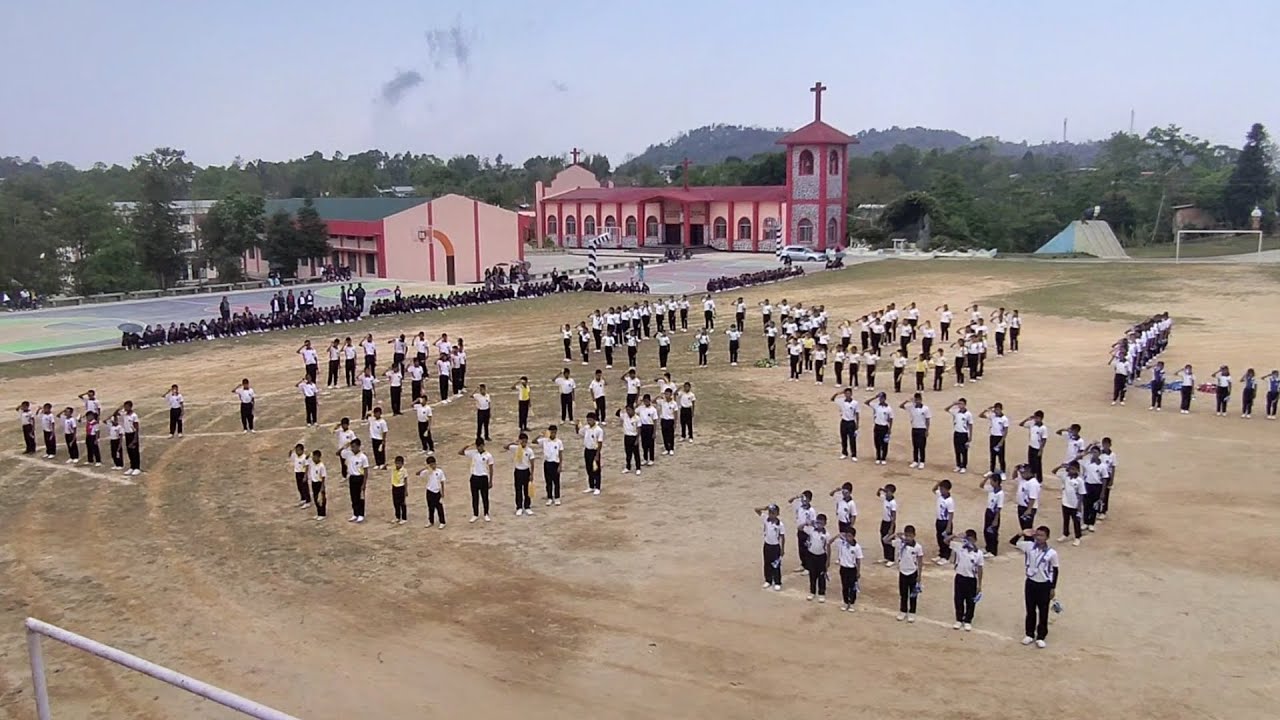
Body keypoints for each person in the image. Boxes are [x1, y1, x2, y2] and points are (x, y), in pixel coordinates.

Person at [1013, 526, 1060, 648]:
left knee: (1043, 612)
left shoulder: (1052, 553)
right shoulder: (1028, 546)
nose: (1039, 538)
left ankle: (1041, 636)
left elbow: (1055, 570)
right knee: (1030, 610)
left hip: (1044, 585)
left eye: (1042, 535)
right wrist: (1022, 533)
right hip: (1031, 583)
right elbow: (1013, 542)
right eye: (1037, 535)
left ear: (1047, 537)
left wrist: (1053, 587)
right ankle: (1029, 634)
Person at [886, 526, 925, 622]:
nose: (908, 538)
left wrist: (919, 576)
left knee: (913, 594)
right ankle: (903, 610)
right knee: (903, 594)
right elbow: (885, 541)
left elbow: (920, 562)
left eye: (910, 536)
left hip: (912, 573)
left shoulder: (918, 547)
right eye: (906, 535)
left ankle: (912, 612)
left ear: (914, 536)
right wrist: (894, 535)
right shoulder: (900, 543)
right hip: (902, 572)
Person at [950, 529, 984, 631]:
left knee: (970, 601)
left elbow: (980, 569)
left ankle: (968, 620)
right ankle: (959, 619)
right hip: (960, 577)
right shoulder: (960, 547)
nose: (969, 541)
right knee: (958, 599)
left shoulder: (978, 553)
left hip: (971, 580)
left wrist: (979, 584)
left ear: (975, 540)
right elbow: (946, 541)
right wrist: (955, 535)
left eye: (971, 539)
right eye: (967, 539)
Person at [459, 439, 495, 522]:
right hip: (474, 477)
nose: (479, 448)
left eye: (480, 446)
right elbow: (460, 452)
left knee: (485, 497)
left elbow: (491, 469)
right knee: (475, 497)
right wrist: (468, 445)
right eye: (477, 446)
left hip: (483, 477)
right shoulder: (473, 453)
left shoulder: (488, 455)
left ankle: (486, 513)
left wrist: (490, 480)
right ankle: (475, 514)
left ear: (483, 445)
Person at [828, 527, 863, 612]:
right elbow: (829, 542)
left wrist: (858, 571)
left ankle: (852, 603)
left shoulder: (857, 547)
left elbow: (858, 560)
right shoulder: (842, 543)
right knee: (845, 586)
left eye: (850, 536)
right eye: (847, 536)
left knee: (852, 587)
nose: (848, 538)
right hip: (843, 568)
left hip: (852, 569)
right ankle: (845, 602)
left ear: (854, 536)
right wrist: (838, 536)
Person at [1053, 459, 1086, 546]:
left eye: (1074, 469)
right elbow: (1053, 471)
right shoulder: (1065, 477)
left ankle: (1077, 537)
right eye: (1070, 469)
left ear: (1077, 470)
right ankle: (1065, 533)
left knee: (1076, 521)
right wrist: (1061, 466)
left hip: (1074, 505)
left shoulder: (1080, 481)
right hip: (1065, 502)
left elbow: (1081, 494)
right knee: (1066, 519)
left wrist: (1079, 507)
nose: (1072, 471)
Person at [753, 504, 785, 591]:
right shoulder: (765, 519)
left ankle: (777, 582)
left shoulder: (780, 525)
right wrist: (764, 507)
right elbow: (756, 509)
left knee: (776, 565)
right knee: (767, 563)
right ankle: (768, 580)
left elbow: (782, 537)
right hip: (767, 545)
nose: (771, 514)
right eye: (770, 512)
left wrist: (782, 549)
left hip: (775, 547)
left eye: (773, 513)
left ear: (777, 513)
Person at [505, 433, 536, 516]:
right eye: (522, 441)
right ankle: (519, 507)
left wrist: (532, 474)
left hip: (526, 471)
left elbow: (532, 463)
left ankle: (527, 507)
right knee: (518, 490)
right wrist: (514, 443)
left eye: (525, 441)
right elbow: (505, 447)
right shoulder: (515, 448)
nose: (524, 443)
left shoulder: (529, 451)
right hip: (518, 471)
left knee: (527, 490)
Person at [803, 514, 831, 602]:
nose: (819, 525)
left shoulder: (827, 535)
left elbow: (828, 548)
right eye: (818, 522)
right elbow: (799, 528)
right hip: (811, 555)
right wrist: (807, 523)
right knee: (812, 575)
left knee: (821, 576)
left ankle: (821, 593)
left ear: (825, 523)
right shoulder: (811, 530)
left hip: (821, 557)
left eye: (821, 523)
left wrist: (828, 560)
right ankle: (812, 592)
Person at [576, 413, 605, 494]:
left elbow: (600, 443)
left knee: (596, 469)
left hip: (594, 451)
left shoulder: (599, 430)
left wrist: (597, 455)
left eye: (590, 420)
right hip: (587, 450)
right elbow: (579, 432)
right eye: (588, 420)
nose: (589, 422)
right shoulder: (586, 428)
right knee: (589, 469)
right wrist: (576, 425)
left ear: (594, 420)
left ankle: (597, 487)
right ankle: (591, 486)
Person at [979, 402, 1010, 478]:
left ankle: (1003, 472)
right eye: (996, 409)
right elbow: (981, 415)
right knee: (992, 455)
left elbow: (1005, 431)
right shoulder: (992, 416)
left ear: (1001, 409)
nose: (997, 411)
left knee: (1001, 456)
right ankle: (991, 470)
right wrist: (987, 409)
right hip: (992, 437)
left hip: (999, 438)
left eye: (999, 409)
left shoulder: (1004, 419)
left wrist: (1001, 441)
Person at [900, 393, 931, 469]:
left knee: (922, 446)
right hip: (914, 428)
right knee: (915, 445)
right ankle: (915, 460)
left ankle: (922, 461)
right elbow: (901, 406)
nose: (917, 401)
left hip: (922, 428)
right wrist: (907, 400)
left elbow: (927, 420)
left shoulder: (925, 408)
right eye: (916, 400)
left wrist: (927, 430)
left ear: (921, 400)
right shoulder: (911, 407)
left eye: (918, 400)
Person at [343, 438, 370, 523]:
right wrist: (345, 446)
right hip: (352, 478)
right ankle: (355, 513)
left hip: (360, 478)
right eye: (351, 447)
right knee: (353, 497)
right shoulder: (349, 455)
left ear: (358, 446)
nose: (352, 448)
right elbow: (338, 453)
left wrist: (364, 483)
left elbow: (366, 471)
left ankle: (361, 514)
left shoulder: (363, 457)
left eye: (354, 447)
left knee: (360, 498)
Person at [537, 425, 564, 506]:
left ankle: (557, 497)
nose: (553, 434)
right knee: (548, 482)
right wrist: (540, 435)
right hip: (547, 463)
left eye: (554, 432)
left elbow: (560, 454)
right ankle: (549, 497)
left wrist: (560, 465)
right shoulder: (544, 440)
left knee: (556, 482)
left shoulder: (559, 442)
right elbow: (534, 441)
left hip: (555, 463)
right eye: (551, 432)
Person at [978, 473, 1004, 557]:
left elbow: (999, 507)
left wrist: (996, 519)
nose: (991, 483)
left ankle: (993, 551)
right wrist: (986, 478)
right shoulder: (991, 489)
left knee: (993, 533)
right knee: (986, 531)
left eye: (992, 481)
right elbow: (981, 486)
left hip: (994, 513)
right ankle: (988, 547)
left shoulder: (1000, 494)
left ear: (996, 482)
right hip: (988, 511)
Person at [1018, 411, 1048, 482]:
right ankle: (1032, 478)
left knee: (1037, 465)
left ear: (1041, 418)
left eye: (1037, 418)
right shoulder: (1032, 424)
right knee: (1031, 464)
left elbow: (1044, 440)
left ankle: (1039, 480)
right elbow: (1021, 424)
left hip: (1037, 449)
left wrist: (1041, 450)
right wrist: (1027, 419)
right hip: (1031, 447)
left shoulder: (1043, 428)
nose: (1036, 419)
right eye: (1035, 418)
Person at [932, 479, 956, 564]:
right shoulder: (940, 495)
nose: (941, 490)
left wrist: (948, 526)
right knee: (939, 538)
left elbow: (951, 514)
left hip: (945, 522)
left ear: (947, 489)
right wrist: (938, 483)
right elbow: (933, 490)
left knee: (946, 539)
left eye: (942, 489)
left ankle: (946, 556)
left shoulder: (950, 501)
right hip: (939, 521)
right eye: (940, 489)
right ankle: (941, 553)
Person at [832, 388, 860, 461]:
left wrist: (857, 424)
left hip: (851, 422)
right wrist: (838, 393)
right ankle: (844, 453)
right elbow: (832, 399)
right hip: (844, 422)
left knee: (852, 439)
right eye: (846, 393)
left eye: (849, 393)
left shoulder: (855, 403)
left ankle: (854, 454)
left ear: (851, 394)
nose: (847, 395)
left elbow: (857, 414)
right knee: (843, 438)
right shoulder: (842, 401)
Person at [419, 455, 447, 528]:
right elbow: (418, 473)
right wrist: (426, 468)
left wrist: (442, 492)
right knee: (430, 507)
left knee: (439, 507)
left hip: (437, 492)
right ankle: (431, 521)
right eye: (431, 465)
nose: (433, 466)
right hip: (429, 491)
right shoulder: (427, 472)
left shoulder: (439, 471)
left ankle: (442, 522)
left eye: (434, 464)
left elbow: (442, 482)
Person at [867, 392, 893, 465]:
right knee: (877, 443)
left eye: (882, 398)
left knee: (884, 443)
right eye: (880, 398)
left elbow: (891, 419)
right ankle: (878, 457)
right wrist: (875, 397)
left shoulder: (888, 408)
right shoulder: (876, 406)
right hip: (877, 426)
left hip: (884, 427)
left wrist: (890, 429)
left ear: (885, 399)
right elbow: (866, 402)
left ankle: (883, 457)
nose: (880, 399)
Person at [876, 484, 898, 566]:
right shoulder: (885, 498)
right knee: (882, 539)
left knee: (889, 540)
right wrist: (880, 489)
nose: (886, 493)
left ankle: (891, 558)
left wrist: (891, 527)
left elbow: (893, 515)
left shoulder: (893, 503)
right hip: (884, 521)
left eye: (888, 492)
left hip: (889, 523)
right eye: (886, 491)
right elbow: (878, 494)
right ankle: (886, 557)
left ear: (892, 493)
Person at [616, 405, 642, 475]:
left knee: (636, 453)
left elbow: (639, 429)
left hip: (634, 436)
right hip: (627, 437)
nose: (628, 412)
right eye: (627, 410)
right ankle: (628, 467)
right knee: (628, 453)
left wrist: (637, 439)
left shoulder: (637, 418)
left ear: (633, 410)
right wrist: (621, 408)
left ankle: (638, 468)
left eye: (629, 410)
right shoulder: (624, 416)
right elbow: (617, 414)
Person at [119, 401, 142, 475]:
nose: (125, 408)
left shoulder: (134, 416)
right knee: (129, 451)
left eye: (127, 406)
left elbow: (136, 427)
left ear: (130, 407)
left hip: (133, 434)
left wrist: (135, 439)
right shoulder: (125, 414)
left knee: (135, 452)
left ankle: (137, 467)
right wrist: (120, 407)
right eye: (124, 406)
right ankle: (132, 466)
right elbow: (115, 414)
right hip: (127, 434)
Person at [636, 394, 658, 467]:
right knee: (644, 444)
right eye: (644, 401)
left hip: (650, 427)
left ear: (649, 401)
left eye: (647, 401)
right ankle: (645, 458)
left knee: (651, 444)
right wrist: (638, 403)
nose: (646, 402)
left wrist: (654, 432)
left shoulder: (653, 409)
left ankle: (651, 459)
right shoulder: (640, 408)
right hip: (643, 427)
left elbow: (655, 421)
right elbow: (634, 410)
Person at [289, 443, 311, 509]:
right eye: (296, 450)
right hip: (297, 473)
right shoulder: (295, 456)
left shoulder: (304, 457)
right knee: (299, 487)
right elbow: (290, 454)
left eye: (298, 450)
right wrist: (292, 449)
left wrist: (305, 476)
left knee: (305, 488)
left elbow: (307, 466)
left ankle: (308, 501)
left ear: (302, 450)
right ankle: (303, 499)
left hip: (302, 473)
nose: (297, 452)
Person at [308, 449, 327, 520]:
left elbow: (323, 476)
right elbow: (307, 457)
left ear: (319, 457)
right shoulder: (312, 463)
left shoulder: (321, 466)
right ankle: (318, 512)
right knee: (316, 498)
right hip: (314, 483)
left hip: (319, 483)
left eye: (315, 457)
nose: (313, 458)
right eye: (313, 457)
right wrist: (310, 454)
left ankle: (323, 513)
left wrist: (322, 486)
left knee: (321, 499)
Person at [658, 388, 678, 455]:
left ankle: (671, 448)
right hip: (663, 420)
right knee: (664, 435)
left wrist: (675, 423)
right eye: (665, 394)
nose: (666, 395)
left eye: (668, 394)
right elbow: (653, 401)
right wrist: (658, 396)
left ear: (671, 394)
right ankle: (666, 448)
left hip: (670, 420)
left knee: (671, 435)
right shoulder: (662, 402)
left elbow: (675, 413)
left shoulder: (674, 403)